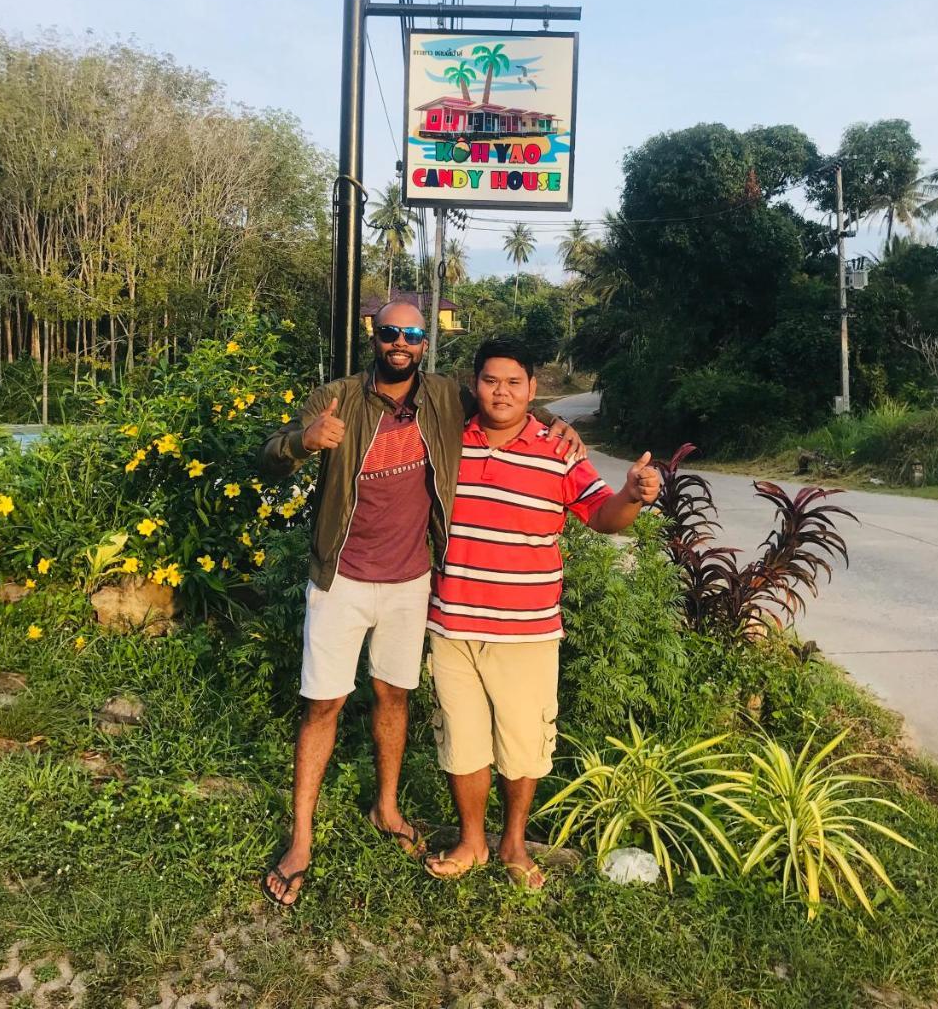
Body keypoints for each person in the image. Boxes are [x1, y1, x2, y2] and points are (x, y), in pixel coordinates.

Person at [256, 302, 585, 906]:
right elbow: (269, 452)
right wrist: (304, 442)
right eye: (390, 333)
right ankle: (301, 838)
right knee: (323, 704)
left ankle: (387, 808)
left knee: (394, 696)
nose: (400, 343)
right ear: (375, 338)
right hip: (342, 578)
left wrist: (552, 421)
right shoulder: (335, 398)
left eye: (411, 334)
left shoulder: (441, 397)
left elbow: (504, 398)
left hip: (411, 583)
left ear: (425, 344)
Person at [424, 335, 660, 889]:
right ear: (473, 384)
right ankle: (471, 841)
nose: (500, 392)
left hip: (527, 629)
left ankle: (513, 843)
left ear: (533, 388)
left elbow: (602, 517)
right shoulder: (449, 440)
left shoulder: (560, 451)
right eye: (489, 380)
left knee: (524, 745)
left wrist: (632, 494)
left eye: (513, 382)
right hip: (452, 622)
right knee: (461, 740)